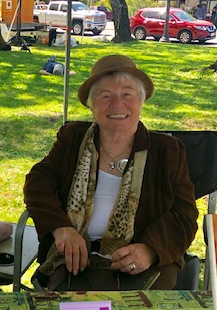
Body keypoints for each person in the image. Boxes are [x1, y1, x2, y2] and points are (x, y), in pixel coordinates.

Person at [24, 54, 198, 291]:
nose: (118, 104)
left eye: (127, 94)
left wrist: (150, 250)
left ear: (141, 100)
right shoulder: (73, 139)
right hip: (76, 261)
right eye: (106, 96)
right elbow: (37, 182)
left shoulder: (167, 151)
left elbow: (184, 215)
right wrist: (62, 229)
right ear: (92, 105)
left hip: (143, 266)